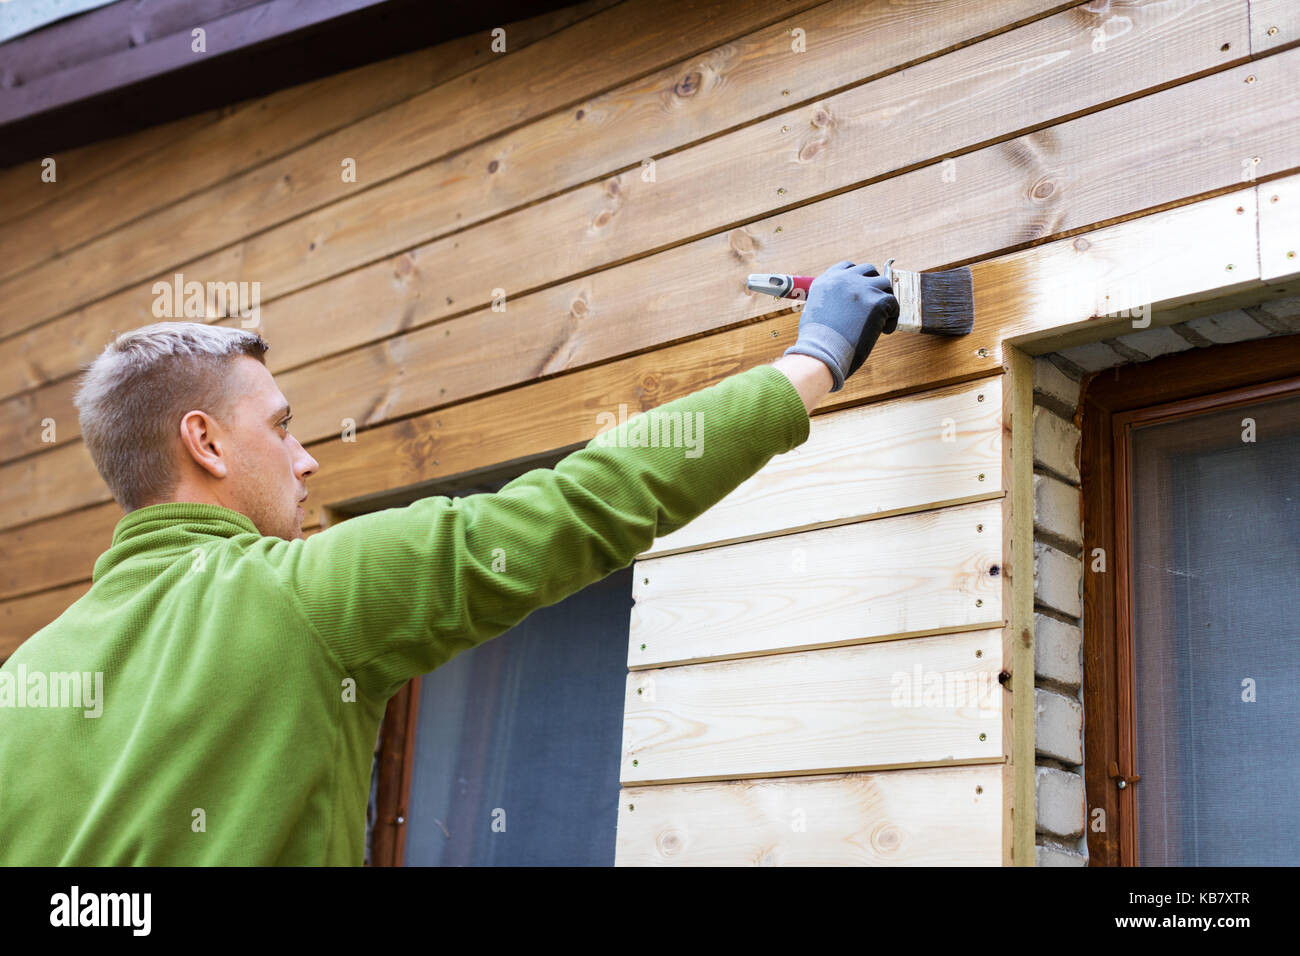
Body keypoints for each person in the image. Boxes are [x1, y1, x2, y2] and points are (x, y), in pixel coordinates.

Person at [0, 261, 897, 865]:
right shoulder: (306, 597)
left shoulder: (20, 686)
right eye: (280, 425)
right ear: (205, 442)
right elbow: (580, 504)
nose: (306, 458)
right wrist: (812, 360)